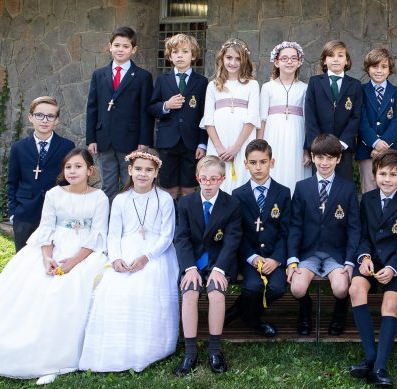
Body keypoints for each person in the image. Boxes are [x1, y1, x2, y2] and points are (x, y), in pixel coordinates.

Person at [0, 149, 109, 383]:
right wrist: (47, 258)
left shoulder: (99, 197)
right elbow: (46, 228)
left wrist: (73, 262)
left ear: (90, 170)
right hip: (52, 247)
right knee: (33, 286)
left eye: (78, 166)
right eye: (68, 167)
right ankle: (18, 341)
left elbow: (97, 234)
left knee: (71, 287)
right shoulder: (54, 194)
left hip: (84, 251)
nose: (73, 171)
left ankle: (58, 351)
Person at [80, 149, 179, 372]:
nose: (143, 174)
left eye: (149, 170)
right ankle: (115, 348)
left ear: (156, 173)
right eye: (139, 169)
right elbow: (113, 235)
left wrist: (147, 257)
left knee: (145, 283)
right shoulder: (121, 199)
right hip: (124, 249)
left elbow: (167, 236)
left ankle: (147, 348)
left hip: (155, 252)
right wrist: (116, 258)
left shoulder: (164, 199)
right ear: (130, 170)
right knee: (112, 287)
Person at [347, 151, 397, 389]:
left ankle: (380, 367)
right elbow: (363, 235)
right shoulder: (367, 199)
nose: (387, 179)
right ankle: (370, 356)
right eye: (383, 173)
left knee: (390, 304)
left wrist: (393, 268)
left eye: (393, 174)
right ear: (375, 174)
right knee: (356, 289)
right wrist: (364, 257)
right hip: (372, 261)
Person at [172, 156, 242, 376]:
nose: (208, 183)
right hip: (193, 262)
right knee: (190, 293)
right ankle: (190, 352)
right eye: (204, 179)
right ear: (197, 178)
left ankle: (214, 351)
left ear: (222, 179)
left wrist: (219, 269)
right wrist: (189, 268)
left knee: (216, 293)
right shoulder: (185, 203)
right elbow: (181, 238)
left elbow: (232, 240)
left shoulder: (232, 204)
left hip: (219, 261)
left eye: (214, 179)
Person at [286, 133, 360, 336]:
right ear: (312, 157)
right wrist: (292, 259)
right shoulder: (302, 187)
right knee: (297, 288)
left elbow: (354, 227)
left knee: (341, 288)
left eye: (330, 157)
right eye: (319, 157)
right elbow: (295, 226)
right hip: (308, 251)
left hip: (336, 252)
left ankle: (339, 314)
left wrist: (349, 261)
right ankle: (305, 310)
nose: (324, 163)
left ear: (339, 159)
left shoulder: (347, 188)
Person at [231, 139, 291, 337]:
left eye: (263, 162)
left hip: (273, 256)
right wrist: (252, 257)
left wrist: (276, 259)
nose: (258, 167)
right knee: (252, 287)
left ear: (271, 163)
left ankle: (241, 313)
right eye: (253, 162)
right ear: (245, 164)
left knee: (277, 288)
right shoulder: (237, 195)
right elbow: (237, 233)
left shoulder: (283, 193)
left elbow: (286, 231)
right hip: (251, 257)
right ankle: (254, 321)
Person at [86, 26, 154, 199]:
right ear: (110, 47)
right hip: (104, 139)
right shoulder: (99, 75)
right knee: (108, 185)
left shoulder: (142, 76)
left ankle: (128, 217)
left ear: (134, 49)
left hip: (130, 139)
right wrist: (91, 138)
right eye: (116, 45)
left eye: (125, 46)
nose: (120, 49)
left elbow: (145, 111)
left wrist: (144, 141)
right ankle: (108, 217)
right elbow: (92, 107)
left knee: (129, 183)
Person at [7, 96, 75, 251]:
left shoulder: (67, 146)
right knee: (24, 257)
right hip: (25, 213)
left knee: (53, 255)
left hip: (57, 213)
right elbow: (12, 182)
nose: (44, 120)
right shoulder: (19, 148)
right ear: (30, 117)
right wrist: (14, 212)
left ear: (56, 120)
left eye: (50, 116)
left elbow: (70, 180)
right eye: (39, 115)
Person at [148, 33, 208, 198]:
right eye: (175, 52)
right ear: (170, 56)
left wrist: (202, 144)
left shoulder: (202, 82)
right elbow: (152, 107)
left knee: (189, 187)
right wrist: (166, 105)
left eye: (185, 51)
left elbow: (205, 115)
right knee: (169, 188)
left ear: (193, 55)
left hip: (192, 143)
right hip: (168, 142)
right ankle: (170, 214)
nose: (180, 55)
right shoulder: (163, 80)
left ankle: (186, 215)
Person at [199, 39, 260, 194]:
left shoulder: (252, 85)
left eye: (238, 59)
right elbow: (208, 120)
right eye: (229, 58)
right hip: (218, 142)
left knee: (242, 176)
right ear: (222, 58)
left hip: (242, 142)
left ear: (244, 60)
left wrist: (236, 148)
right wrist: (219, 148)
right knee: (217, 174)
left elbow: (252, 118)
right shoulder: (213, 86)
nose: (233, 62)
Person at [304, 40, 363, 178]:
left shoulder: (355, 85)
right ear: (324, 60)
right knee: (320, 183)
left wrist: (342, 143)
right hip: (319, 148)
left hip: (343, 148)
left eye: (340, 55)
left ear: (347, 61)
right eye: (331, 55)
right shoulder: (314, 82)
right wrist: (318, 144)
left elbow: (356, 116)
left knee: (343, 184)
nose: (336, 59)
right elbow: (310, 115)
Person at [258, 41, 310, 192]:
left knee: (295, 167)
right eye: (284, 58)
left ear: (299, 62)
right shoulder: (267, 87)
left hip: (297, 134)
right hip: (273, 134)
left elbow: (307, 121)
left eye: (294, 58)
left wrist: (307, 149)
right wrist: (259, 146)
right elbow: (262, 119)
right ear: (276, 62)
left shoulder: (304, 88)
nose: (289, 62)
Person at [357, 47, 397, 193]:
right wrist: (374, 143)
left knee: (389, 188)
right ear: (368, 68)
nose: (379, 71)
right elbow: (361, 119)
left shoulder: (396, 92)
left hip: (390, 149)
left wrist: (383, 146)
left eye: (384, 67)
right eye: (374, 66)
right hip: (367, 150)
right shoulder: (360, 90)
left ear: (390, 70)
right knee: (369, 189)